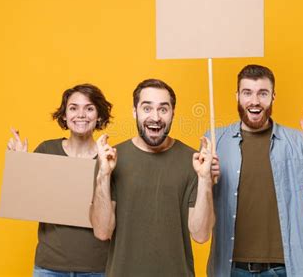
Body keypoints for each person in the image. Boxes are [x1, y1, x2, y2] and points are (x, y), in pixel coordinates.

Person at [207, 65, 303, 277]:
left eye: (263, 93)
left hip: (284, 270)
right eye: (247, 92)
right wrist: (204, 178)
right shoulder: (215, 140)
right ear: (237, 96)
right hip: (231, 269)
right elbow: (200, 203)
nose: (255, 101)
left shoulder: (298, 142)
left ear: (273, 97)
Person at [90, 78, 219, 277]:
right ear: (135, 112)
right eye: (147, 108)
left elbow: (201, 235)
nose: (155, 117)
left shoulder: (193, 161)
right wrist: (103, 175)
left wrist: (205, 180)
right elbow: (102, 231)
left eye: (163, 109)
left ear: (173, 114)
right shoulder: (111, 160)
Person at [7, 84, 112, 277]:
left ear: (99, 116)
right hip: (49, 267)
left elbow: (115, 217)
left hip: (97, 269)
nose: (81, 114)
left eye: (89, 108)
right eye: (73, 108)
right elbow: (23, 200)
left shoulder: (109, 159)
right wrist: (19, 166)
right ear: (64, 115)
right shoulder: (47, 151)